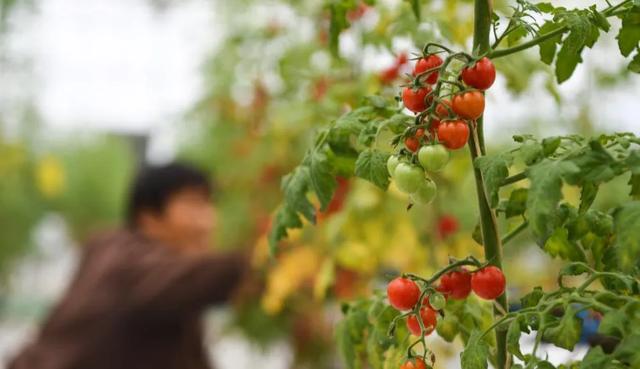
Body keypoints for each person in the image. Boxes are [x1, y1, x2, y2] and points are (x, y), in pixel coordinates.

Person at [9, 162, 249, 369]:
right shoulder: (126, 262)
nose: (207, 221)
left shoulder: (154, 280)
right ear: (149, 216)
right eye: (193, 205)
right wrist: (264, 257)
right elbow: (191, 278)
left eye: (209, 205)